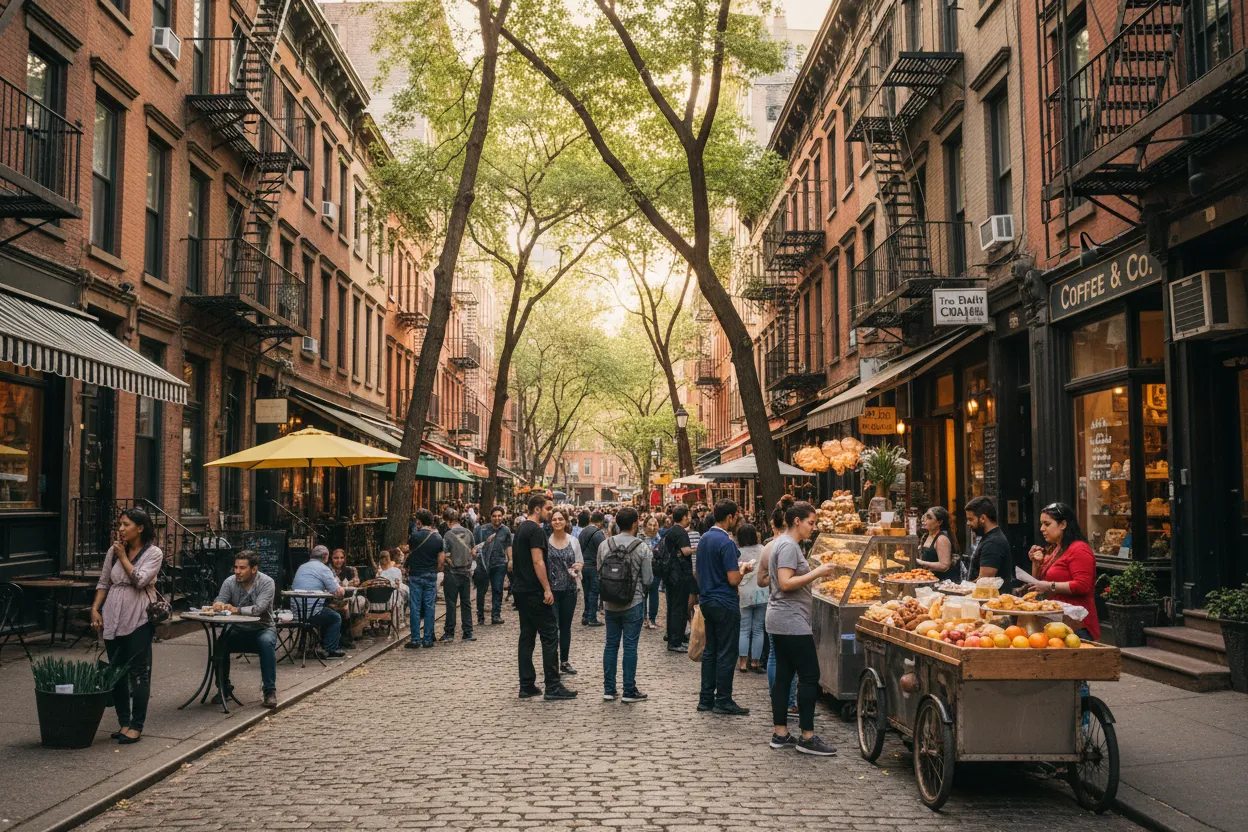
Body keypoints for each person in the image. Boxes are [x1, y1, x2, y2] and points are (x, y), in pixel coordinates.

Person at [767, 501, 837, 755]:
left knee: (784, 677)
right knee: (809, 676)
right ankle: (807, 737)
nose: (813, 528)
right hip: (790, 621)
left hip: (781, 619)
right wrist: (817, 573)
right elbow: (786, 583)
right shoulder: (787, 546)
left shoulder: (785, 544)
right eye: (811, 522)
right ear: (797, 521)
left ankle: (781, 733)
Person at [91, 507, 164, 744]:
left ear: (140, 528)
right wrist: (95, 608)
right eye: (120, 524)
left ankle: (136, 726)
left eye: (126, 525)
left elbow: (140, 580)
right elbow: (104, 582)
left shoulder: (154, 553)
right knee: (117, 671)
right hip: (113, 616)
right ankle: (123, 722)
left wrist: (123, 557)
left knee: (139, 672)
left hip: (139, 618)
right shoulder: (113, 552)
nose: (121, 529)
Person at [514, 494, 577, 701]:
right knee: (550, 635)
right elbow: (537, 561)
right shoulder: (536, 531)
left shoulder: (521, 528)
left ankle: (527, 684)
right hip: (534, 592)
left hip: (522, 591)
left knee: (527, 637)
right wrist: (547, 589)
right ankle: (553, 685)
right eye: (549, 508)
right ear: (538, 509)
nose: (551, 512)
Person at [695, 499, 752, 716]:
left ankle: (705, 698)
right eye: (736, 516)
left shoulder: (704, 539)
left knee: (711, 651)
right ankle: (724, 699)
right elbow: (733, 579)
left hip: (708, 600)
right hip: (724, 602)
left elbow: (700, 571)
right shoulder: (726, 542)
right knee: (727, 652)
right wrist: (745, 569)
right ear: (730, 516)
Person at [1021, 502, 1101, 641]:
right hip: (1056, 622)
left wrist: (1049, 586)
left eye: (1047, 524)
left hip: (1078, 626)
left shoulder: (1079, 549)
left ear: (1063, 525)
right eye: (1041, 524)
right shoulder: (1055, 549)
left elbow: (1083, 586)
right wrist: (1036, 563)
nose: (1041, 529)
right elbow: (1038, 585)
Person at [213, 550, 279, 709]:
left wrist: (236, 609)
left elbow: (259, 609)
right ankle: (223, 687)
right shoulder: (230, 582)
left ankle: (269, 691)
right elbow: (219, 600)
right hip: (238, 628)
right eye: (235, 567)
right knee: (220, 644)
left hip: (262, 627)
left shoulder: (266, 582)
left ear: (254, 569)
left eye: (242, 568)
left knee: (266, 642)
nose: (237, 571)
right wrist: (218, 604)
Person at [599, 506, 651, 703]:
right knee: (630, 646)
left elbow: (599, 571)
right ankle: (629, 690)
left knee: (611, 644)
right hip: (634, 602)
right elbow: (648, 579)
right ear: (636, 524)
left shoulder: (605, 545)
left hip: (610, 603)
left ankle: (609, 689)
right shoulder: (642, 547)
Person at [291, 545, 347, 658]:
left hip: (296, 612)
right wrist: (341, 588)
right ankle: (330, 649)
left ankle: (314, 644)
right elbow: (337, 591)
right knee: (335, 617)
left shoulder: (302, 567)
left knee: (327, 611)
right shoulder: (323, 569)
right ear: (326, 557)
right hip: (312, 613)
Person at [546, 508, 584, 675]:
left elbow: (580, 562)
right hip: (552, 590)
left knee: (566, 626)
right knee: (553, 627)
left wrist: (578, 567)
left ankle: (564, 660)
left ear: (566, 521)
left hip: (569, 589)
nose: (557, 522)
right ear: (550, 523)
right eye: (554, 519)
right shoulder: (546, 541)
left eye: (560, 519)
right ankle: (552, 661)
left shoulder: (574, 541)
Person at [405, 510, 444, 648]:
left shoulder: (414, 536)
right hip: (430, 575)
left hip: (416, 575)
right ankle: (428, 638)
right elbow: (441, 561)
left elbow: (410, 553)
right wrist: (435, 570)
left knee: (415, 607)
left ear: (419, 521)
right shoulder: (438, 538)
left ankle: (415, 638)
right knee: (429, 607)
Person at [441, 508, 477, 642]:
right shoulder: (469, 533)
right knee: (466, 602)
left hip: (452, 572)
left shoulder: (448, 535)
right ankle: (468, 632)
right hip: (466, 572)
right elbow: (473, 552)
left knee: (451, 603)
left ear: (449, 521)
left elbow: (446, 555)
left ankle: (449, 633)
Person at [965, 496, 1014, 593]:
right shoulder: (990, 538)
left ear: (983, 518)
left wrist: (961, 589)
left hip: (991, 602)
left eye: (971, 519)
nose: (968, 523)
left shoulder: (993, 542)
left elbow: (983, 582)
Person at [736, 524, 766, 673]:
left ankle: (742, 662)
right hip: (762, 592)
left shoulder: (738, 552)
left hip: (744, 593)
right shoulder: (763, 549)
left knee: (744, 629)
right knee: (758, 629)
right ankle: (755, 661)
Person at [664, 506, 694, 653]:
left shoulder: (671, 531)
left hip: (670, 574)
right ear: (683, 517)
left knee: (672, 607)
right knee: (679, 608)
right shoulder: (681, 532)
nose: (688, 518)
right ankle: (676, 640)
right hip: (680, 574)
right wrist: (695, 548)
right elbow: (685, 550)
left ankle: (672, 636)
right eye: (687, 516)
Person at [475, 506, 512, 625]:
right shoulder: (482, 530)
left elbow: (508, 546)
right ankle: (480, 616)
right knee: (481, 591)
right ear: (490, 517)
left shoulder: (506, 530)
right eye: (494, 516)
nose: (497, 518)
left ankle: (496, 615)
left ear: (503, 516)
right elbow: (475, 547)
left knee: (498, 589)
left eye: (499, 516)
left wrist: (510, 560)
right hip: (484, 564)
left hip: (500, 563)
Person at [329, 548, 364, 648]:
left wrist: (355, 582)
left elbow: (356, 582)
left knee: (352, 604)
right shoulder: (328, 571)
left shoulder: (348, 570)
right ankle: (342, 638)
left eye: (341, 558)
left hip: (347, 597)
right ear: (331, 558)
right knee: (344, 607)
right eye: (336, 558)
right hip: (332, 598)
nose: (339, 560)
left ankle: (346, 636)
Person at [578, 512, 606, 627]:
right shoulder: (599, 534)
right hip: (594, 566)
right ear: (600, 522)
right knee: (594, 591)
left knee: (586, 591)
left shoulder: (583, 532)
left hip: (583, 565)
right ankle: (592, 618)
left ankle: (585, 615)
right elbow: (603, 551)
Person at [918, 506, 957, 582]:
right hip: (926, 579)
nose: (924, 519)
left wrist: (922, 563)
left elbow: (944, 565)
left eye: (929, 518)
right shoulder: (925, 536)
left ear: (939, 522)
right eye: (925, 516)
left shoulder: (941, 539)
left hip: (940, 582)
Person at [641, 515, 662, 629]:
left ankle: (652, 619)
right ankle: (644, 618)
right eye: (650, 524)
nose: (653, 527)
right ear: (645, 525)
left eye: (655, 525)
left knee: (654, 593)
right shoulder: (641, 537)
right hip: (644, 569)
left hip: (656, 569)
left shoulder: (660, 538)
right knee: (644, 594)